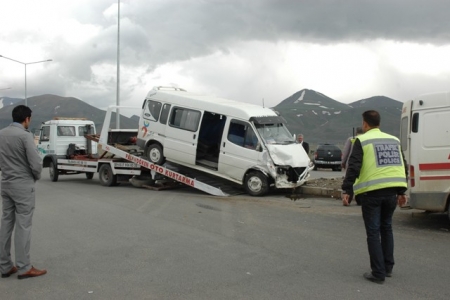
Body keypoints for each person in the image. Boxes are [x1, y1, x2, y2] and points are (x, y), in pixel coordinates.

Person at [341, 110, 408, 284]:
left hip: (372, 194)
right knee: (386, 228)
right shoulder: (394, 140)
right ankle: (387, 267)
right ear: (379, 123)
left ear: (364, 124)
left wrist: (347, 190)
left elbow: (353, 167)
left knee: (373, 232)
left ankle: (378, 273)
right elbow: (401, 165)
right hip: (391, 193)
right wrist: (402, 192)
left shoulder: (362, 140)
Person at [0, 105, 47, 279]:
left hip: (6, 184)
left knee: (6, 224)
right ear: (26, 119)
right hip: (22, 185)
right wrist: (35, 176)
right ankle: (24, 267)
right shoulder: (25, 136)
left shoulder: (1, 134)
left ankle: (5, 266)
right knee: (23, 226)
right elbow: (35, 162)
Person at [341, 127, 364, 205]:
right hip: (363, 165)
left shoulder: (351, 139)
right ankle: (360, 199)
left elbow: (346, 152)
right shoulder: (366, 140)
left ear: (356, 132)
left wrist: (343, 162)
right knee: (360, 182)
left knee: (350, 181)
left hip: (351, 164)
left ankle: (348, 198)